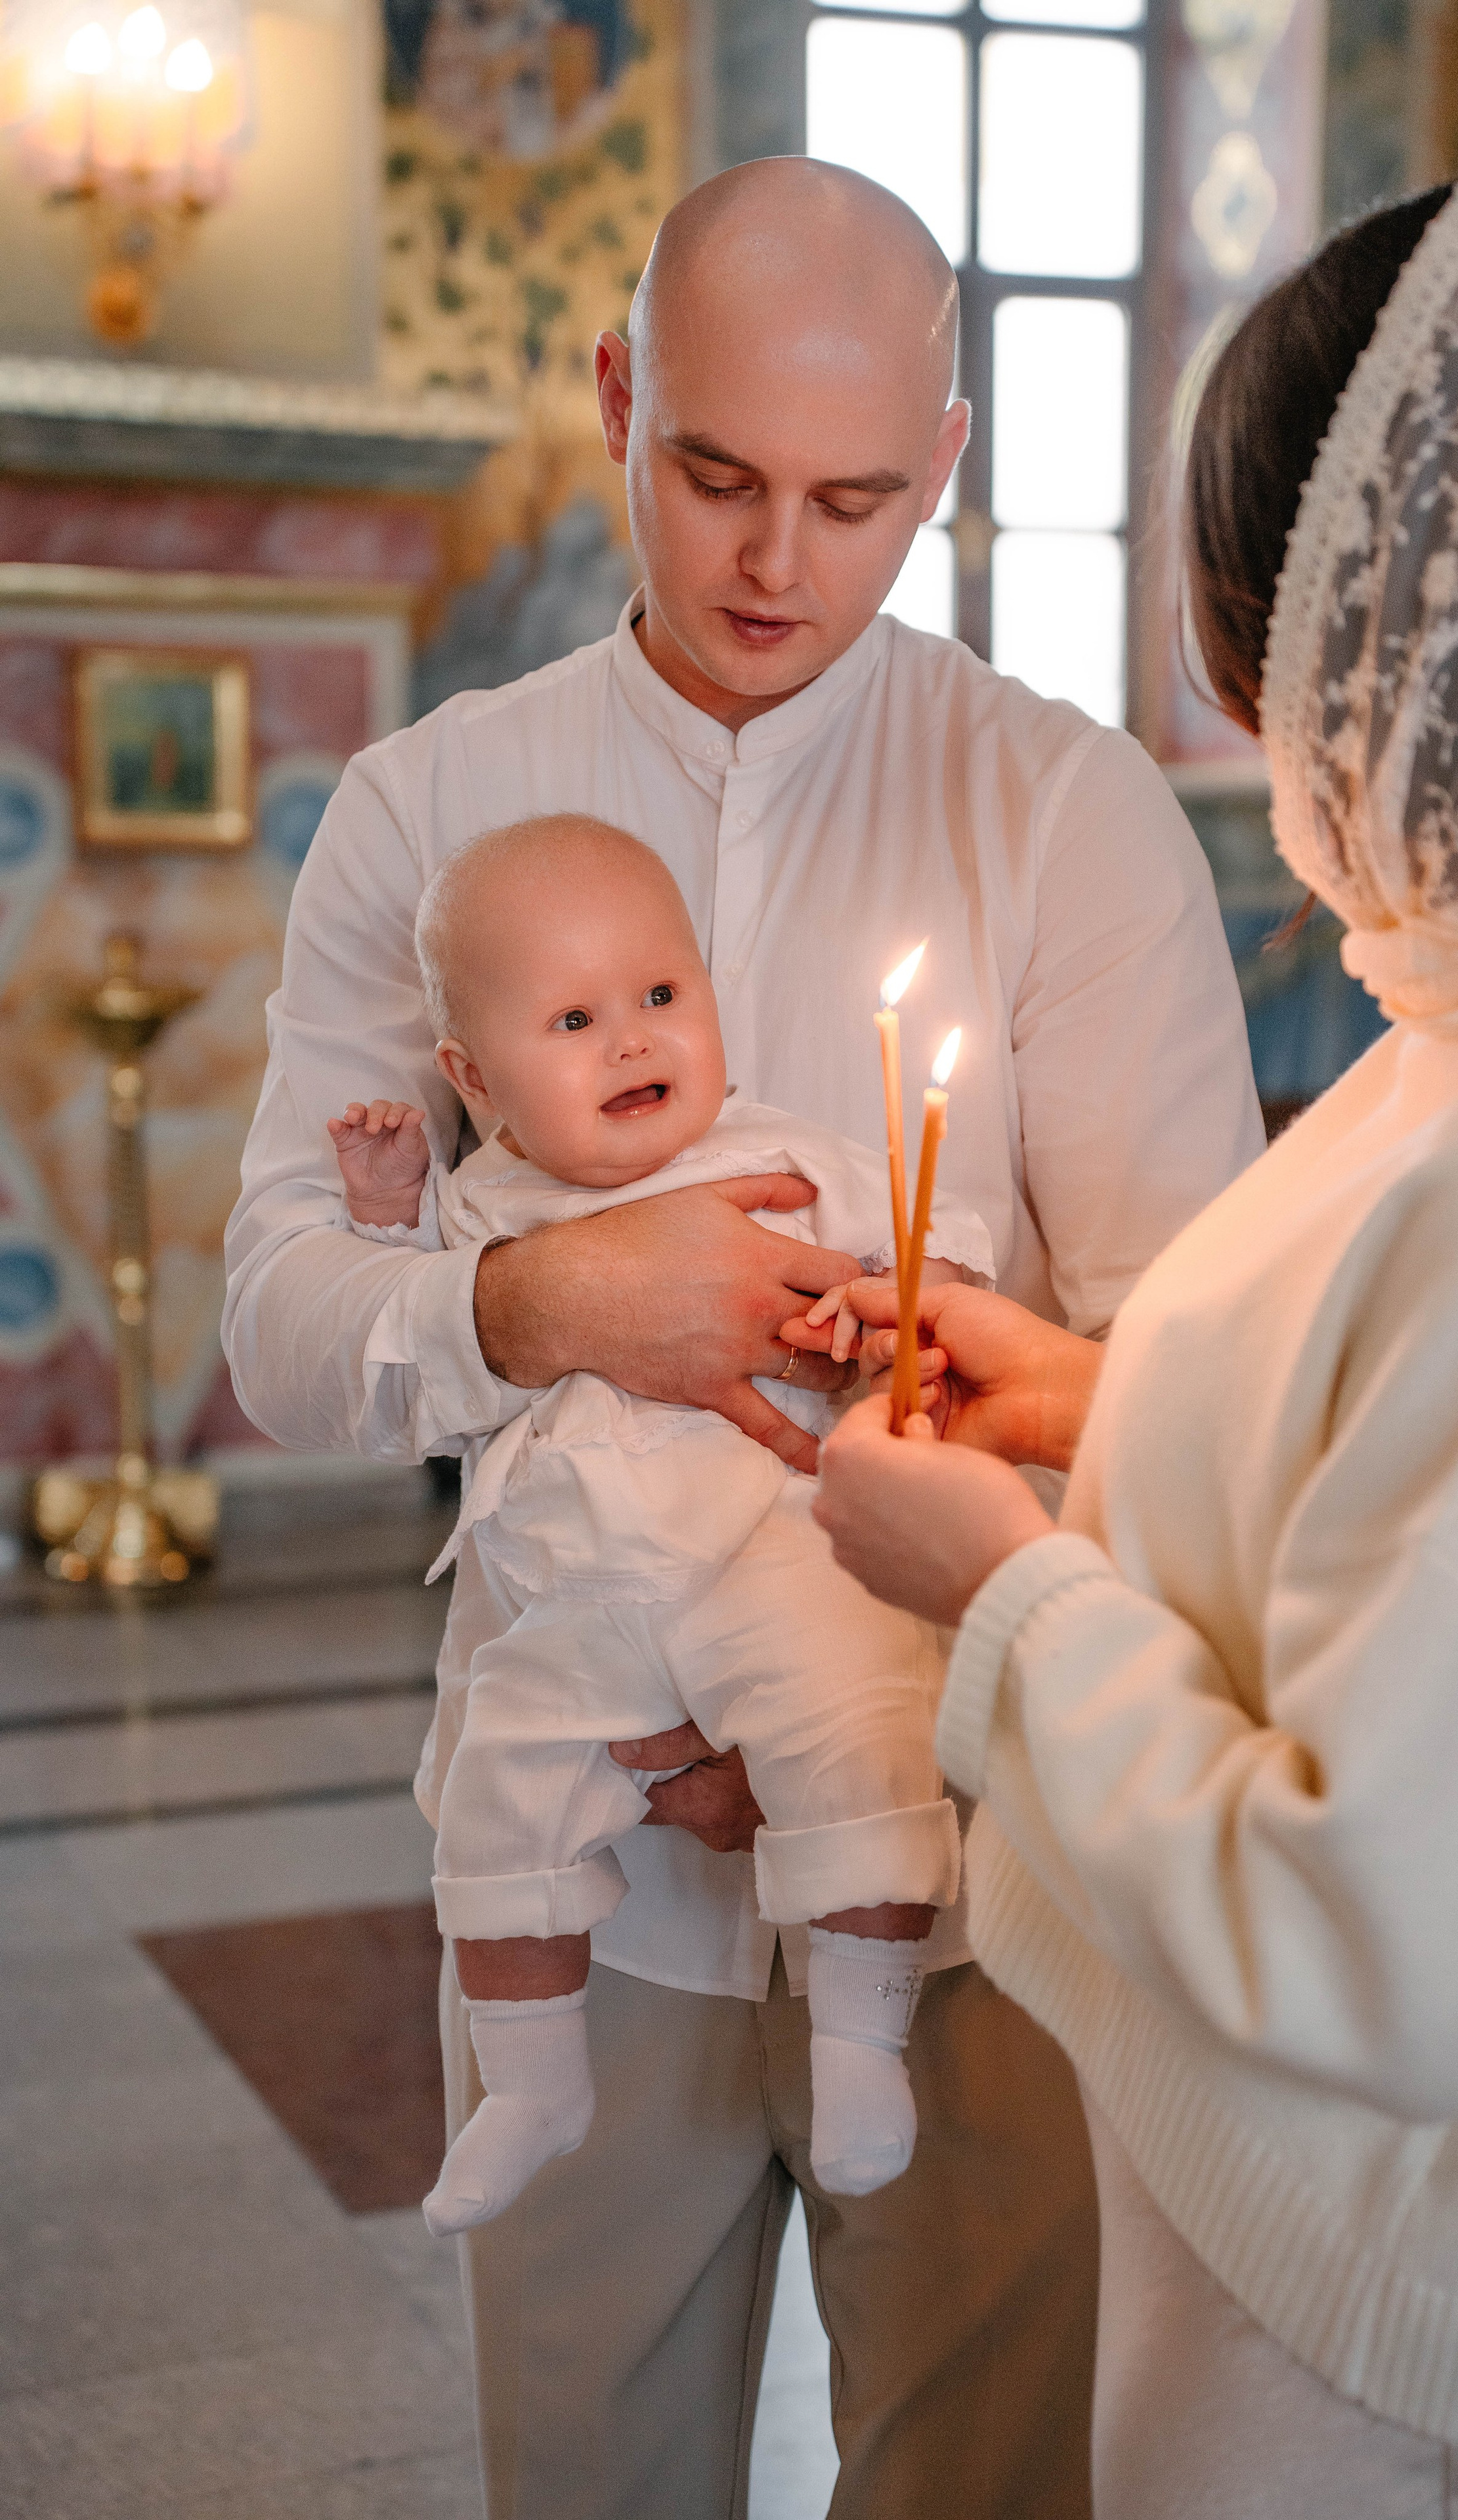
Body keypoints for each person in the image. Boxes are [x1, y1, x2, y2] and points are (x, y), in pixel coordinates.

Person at [223, 156, 1261, 2518]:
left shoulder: (1063, 813)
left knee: (980, 2481)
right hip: (585, 1891)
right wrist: (544, 1292)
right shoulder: (429, 809)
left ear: (951, 470)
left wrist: (845, 1676)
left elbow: (1187, 1384)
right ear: (615, 400)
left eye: (857, 498)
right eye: (713, 476)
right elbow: (286, 1321)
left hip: (983, 1876)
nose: (777, 562)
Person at [814, 135, 1458, 2516]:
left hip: (1407, 2360)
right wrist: (1099, 1405)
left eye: (1242, 639)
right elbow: (1450, 1518)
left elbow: (1398, 1928)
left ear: (1382, 618)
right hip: (1332, 2272)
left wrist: (1000, 1588)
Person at [328, 812, 986, 2229]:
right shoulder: (487, 1206)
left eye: (660, 998)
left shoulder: (788, 1160)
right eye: (573, 1019)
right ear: (476, 1076)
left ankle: (861, 2046)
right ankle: (531, 2079)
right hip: (571, 1589)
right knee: (497, 1788)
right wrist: (389, 1215)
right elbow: (415, 1358)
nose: (632, 1041)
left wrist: (877, 1306)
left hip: (769, 1546)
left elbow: (934, 1254)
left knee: (862, 1729)